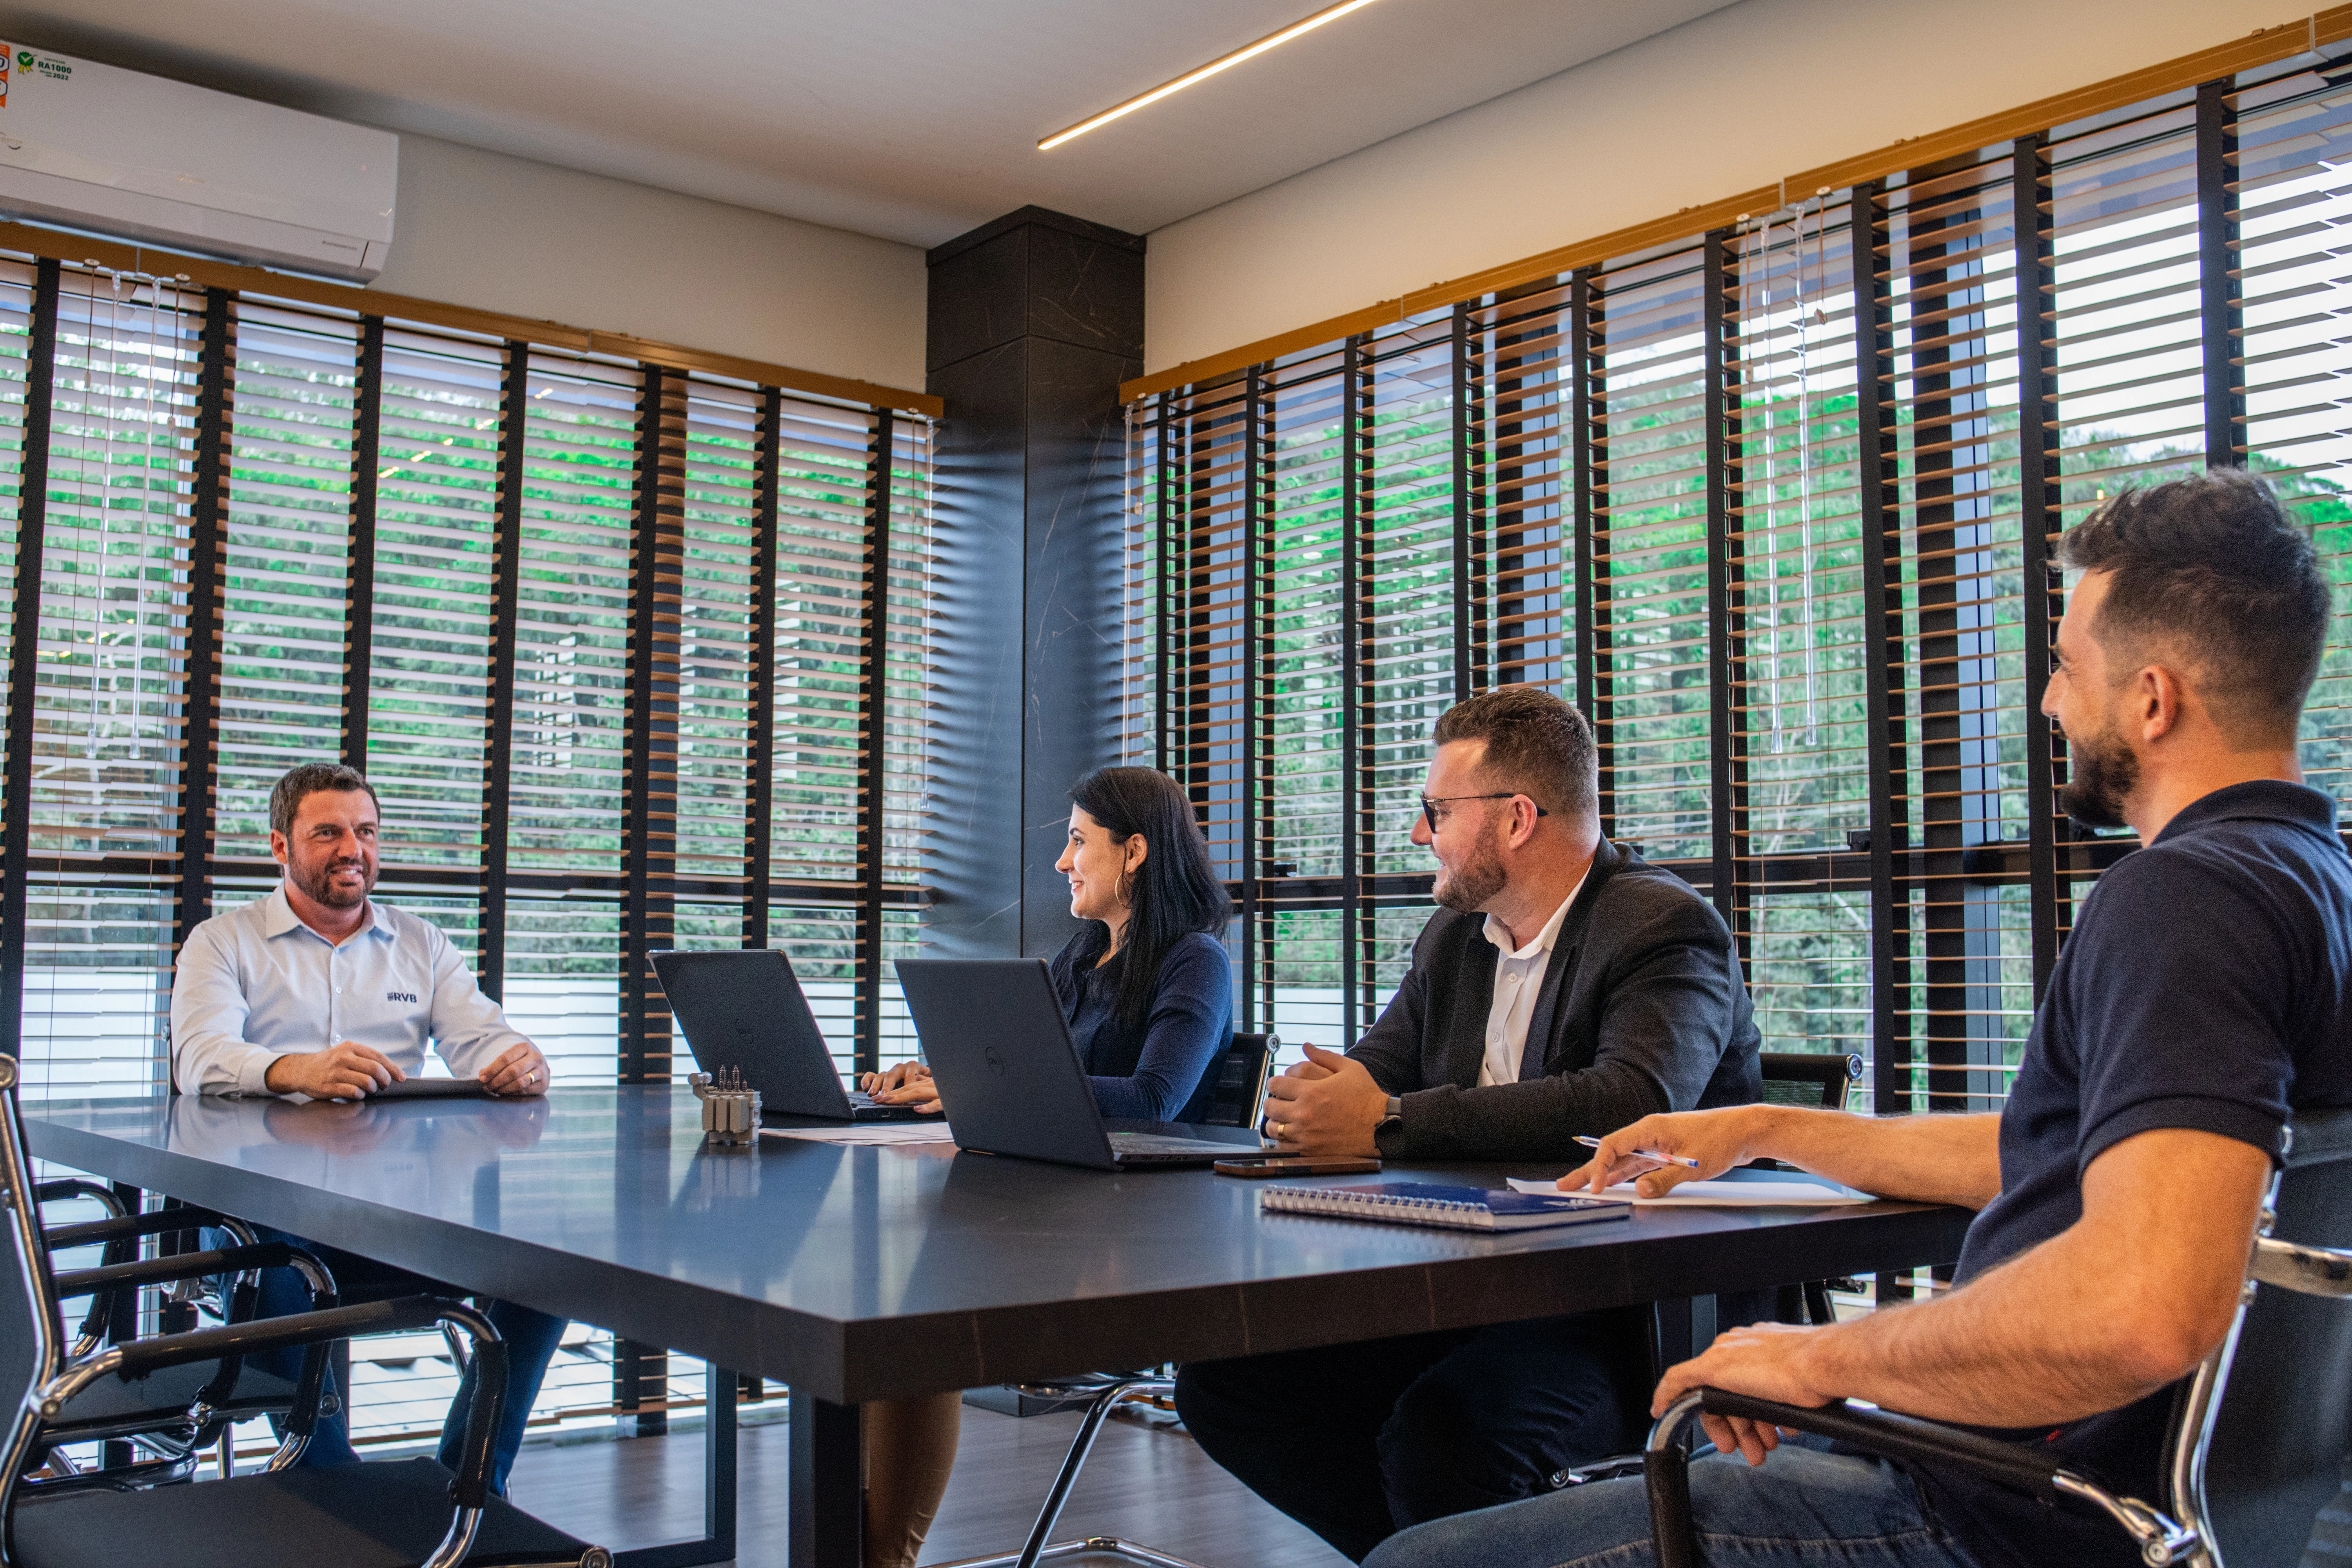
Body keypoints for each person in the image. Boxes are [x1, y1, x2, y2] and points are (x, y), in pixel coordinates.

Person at [1359, 469, 2352, 1568]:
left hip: (2004, 1514)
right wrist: (1769, 1130)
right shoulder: (2311, 881)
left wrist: (1824, 1361)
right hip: (2160, 1503)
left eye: (2068, 667)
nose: (2049, 703)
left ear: (2154, 699)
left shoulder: (2185, 900)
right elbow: (2070, 1158)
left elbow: (2143, 1305)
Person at [1173, 685, 1764, 1562]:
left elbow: (1631, 1103)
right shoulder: (1455, 939)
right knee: (1229, 1382)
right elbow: (1377, 1070)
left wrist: (1387, 1123)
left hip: (1628, 1305)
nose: (1421, 834)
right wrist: (1320, 1099)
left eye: (1437, 810)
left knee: (1447, 1439)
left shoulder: (1663, 925)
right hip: (1472, 1282)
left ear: (1518, 817)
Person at [856, 764, 1234, 1568]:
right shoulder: (1082, 954)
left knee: (920, 1317)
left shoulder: (1195, 960)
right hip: (1049, 1221)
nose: (1064, 862)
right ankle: (858, 1545)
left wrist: (979, 1085)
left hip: (1136, 1246)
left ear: (1134, 852)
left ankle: (880, 1555)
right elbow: (1031, 1072)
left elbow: (1157, 1098)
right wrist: (940, 1076)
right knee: (889, 1296)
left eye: (1076, 841)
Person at [171, 762, 567, 1497]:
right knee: (274, 1261)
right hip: (266, 1216)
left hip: (400, 1216)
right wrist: (297, 1070)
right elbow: (200, 1057)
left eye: (366, 832)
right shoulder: (222, 942)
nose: (352, 848)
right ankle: (332, 1488)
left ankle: (472, 1476)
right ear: (280, 847)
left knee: (553, 1266)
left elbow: (482, 1038)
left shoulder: (421, 943)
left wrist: (517, 1062)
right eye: (328, 832)